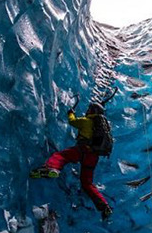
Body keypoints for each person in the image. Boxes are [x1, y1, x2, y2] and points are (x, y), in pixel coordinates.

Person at [30, 92, 115, 221]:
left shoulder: (86, 121)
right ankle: (104, 206)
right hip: (93, 157)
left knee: (61, 156)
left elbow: (73, 121)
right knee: (87, 183)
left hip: (82, 150)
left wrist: (71, 112)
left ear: (91, 110)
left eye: (89, 109)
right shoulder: (104, 128)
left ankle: (51, 168)